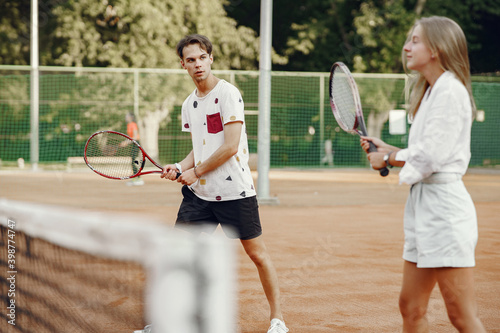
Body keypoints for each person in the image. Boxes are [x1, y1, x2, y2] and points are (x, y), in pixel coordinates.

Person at [360, 16, 485, 332]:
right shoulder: (430, 92)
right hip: (424, 208)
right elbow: (426, 149)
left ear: (438, 48)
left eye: (415, 40)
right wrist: (387, 148)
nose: (406, 47)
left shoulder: (449, 92)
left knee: (460, 315)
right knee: (411, 307)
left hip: (444, 212)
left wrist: (387, 156)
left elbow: (432, 157)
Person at [161, 34, 289, 333]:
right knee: (177, 255)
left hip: (235, 191)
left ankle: (278, 319)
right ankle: (170, 321)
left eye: (202, 57)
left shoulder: (228, 93)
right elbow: (202, 146)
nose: (197, 64)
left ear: (211, 58)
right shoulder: (189, 104)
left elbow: (230, 146)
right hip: (199, 196)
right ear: (183, 65)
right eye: (190, 60)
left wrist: (195, 171)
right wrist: (181, 167)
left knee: (257, 255)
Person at [124, 113, 144, 186]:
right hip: (133, 144)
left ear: (131, 117)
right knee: (133, 161)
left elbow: (135, 137)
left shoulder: (133, 124)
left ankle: (138, 178)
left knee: (134, 161)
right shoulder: (129, 125)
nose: (126, 117)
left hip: (136, 144)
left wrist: (126, 142)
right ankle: (135, 178)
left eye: (127, 116)